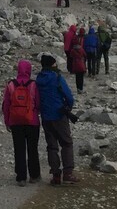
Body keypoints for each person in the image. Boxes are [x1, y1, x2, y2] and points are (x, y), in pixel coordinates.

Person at [36, 53, 78, 186]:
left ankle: (55, 175)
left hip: (46, 116)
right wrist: (68, 108)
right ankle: (68, 173)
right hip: (59, 115)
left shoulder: (38, 78)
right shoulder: (57, 77)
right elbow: (69, 96)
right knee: (66, 143)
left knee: (52, 146)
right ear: (52, 64)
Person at [1, 59, 42, 186]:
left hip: (15, 121)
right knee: (32, 149)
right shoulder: (34, 85)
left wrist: (7, 121)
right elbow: (39, 103)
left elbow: (6, 105)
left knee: (19, 149)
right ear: (29, 70)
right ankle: (34, 175)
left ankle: (21, 177)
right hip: (32, 121)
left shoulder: (11, 85)